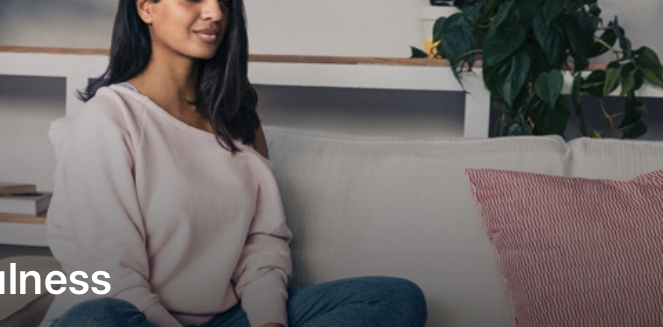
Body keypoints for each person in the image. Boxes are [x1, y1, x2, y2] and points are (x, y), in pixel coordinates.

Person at [40, 0, 428, 326]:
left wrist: (269, 323)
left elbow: (262, 245)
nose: (214, 12)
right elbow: (111, 273)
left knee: (395, 299)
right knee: (95, 318)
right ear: (146, 8)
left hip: (223, 319)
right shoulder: (110, 117)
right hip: (131, 316)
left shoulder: (237, 117)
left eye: (223, 1)